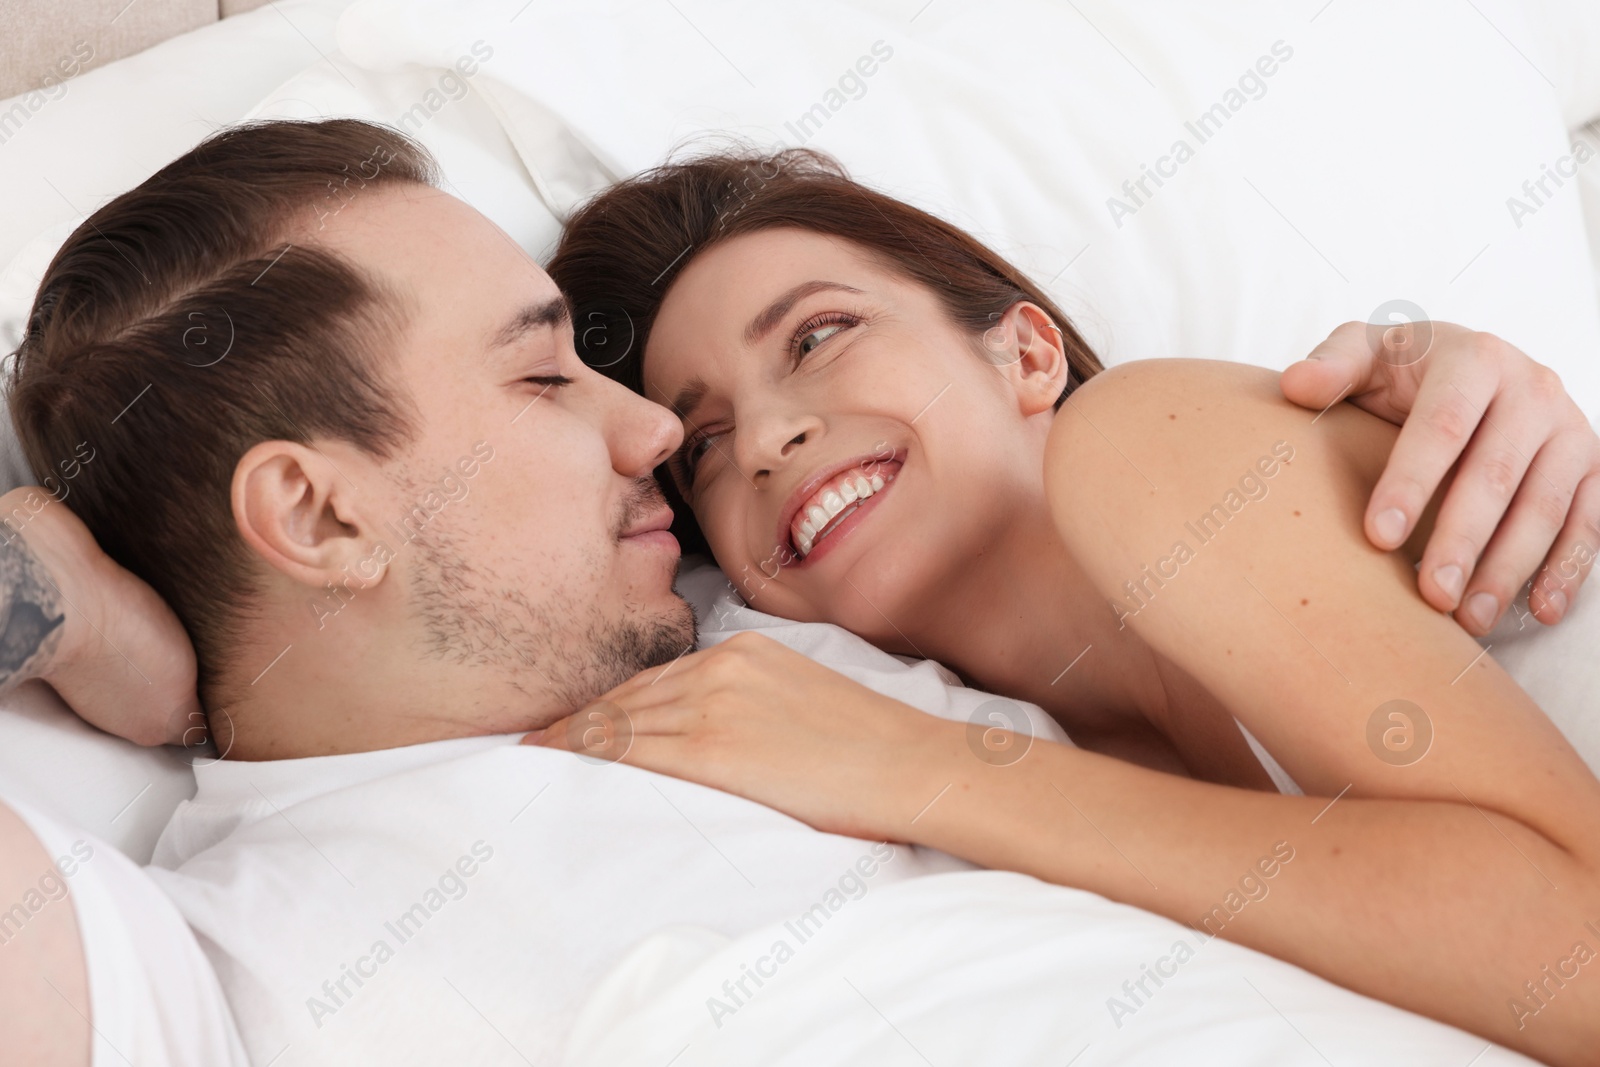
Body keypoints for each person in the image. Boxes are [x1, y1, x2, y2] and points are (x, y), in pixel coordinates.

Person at [0, 119, 1592, 1065]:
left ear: (1027, 343)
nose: (678, 448)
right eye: (548, 376)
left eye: (820, 334)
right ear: (317, 511)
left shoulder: (812, 655)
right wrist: (73, 608)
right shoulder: (199, 948)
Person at [535, 148, 1600, 1064]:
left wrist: (915, 767)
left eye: (817, 337)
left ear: (1027, 354)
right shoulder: (1102, 780)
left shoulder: (1149, 438)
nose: (765, 439)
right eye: (707, 443)